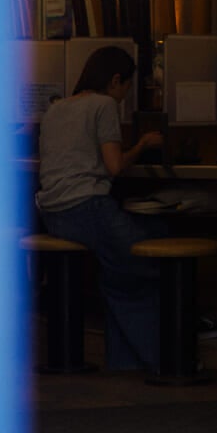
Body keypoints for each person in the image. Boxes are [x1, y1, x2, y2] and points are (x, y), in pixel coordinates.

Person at [36, 46, 165, 372]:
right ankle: (160, 361)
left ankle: (126, 363)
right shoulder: (104, 105)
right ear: (116, 80)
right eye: (126, 88)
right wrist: (142, 145)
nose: (124, 97)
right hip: (88, 207)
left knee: (116, 274)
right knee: (150, 264)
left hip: (52, 214)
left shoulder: (56, 109)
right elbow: (114, 166)